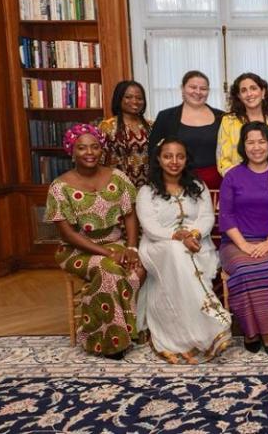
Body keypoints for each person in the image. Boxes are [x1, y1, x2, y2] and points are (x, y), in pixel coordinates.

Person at [44, 123, 142, 359]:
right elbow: (68, 234)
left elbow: (130, 215)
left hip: (116, 243)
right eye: (82, 148)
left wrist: (131, 247)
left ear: (102, 150)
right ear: (71, 150)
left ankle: (131, 330)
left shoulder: (118, 178)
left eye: (95, 147)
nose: (89, 152)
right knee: (108, 270)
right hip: (77, 250)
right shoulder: (60, 187)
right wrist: (107, 253)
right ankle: (109, 342)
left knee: (139, 267)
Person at [136, 138, 231, 364]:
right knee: (176, 252)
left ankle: (191, 338)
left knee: (183, 256)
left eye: (180, 156)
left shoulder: (198, 187)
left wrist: (194, 234)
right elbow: (149, 226)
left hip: (198, 244)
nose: (174, 161)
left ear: (186, 159)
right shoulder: (147, 191)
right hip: (158, 246)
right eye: (168, 156)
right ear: (158, 159)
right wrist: (177, 237)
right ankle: (209, 326)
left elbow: (207, 216)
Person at [218, 122, 268, 356]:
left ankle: (267, 332)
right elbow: (226, 216)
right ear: (243, 145)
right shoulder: (232, 176)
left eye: (261, 141)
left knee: (267, 265)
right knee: (244, 267)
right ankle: (250, 331)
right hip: (236, 242)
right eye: (251, 142)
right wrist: (245, 245)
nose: (256, 147)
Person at [149, 71, 225, 189]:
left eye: (203, 88)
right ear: (182, 89)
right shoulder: (166, 117)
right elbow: (153, 153)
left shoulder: (222, 117)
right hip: (176, 183)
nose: (198, 92)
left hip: (217, 184)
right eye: (193, 87)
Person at [217, 73, 268, 176]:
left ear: (263, 92)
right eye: (243, 90)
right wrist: (243, 179)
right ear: (239, 96)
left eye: (253, 88)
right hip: (238, 182)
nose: (249, 94)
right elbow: (223, 161)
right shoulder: (228, 121)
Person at [99, 80, 152, 188]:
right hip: (118, 188)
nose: (135, 101)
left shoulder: (152, 126)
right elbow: (100, 162)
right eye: (128, 97)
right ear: (119, 99)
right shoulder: (107, 126)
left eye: (139, 98)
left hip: (148, 189)